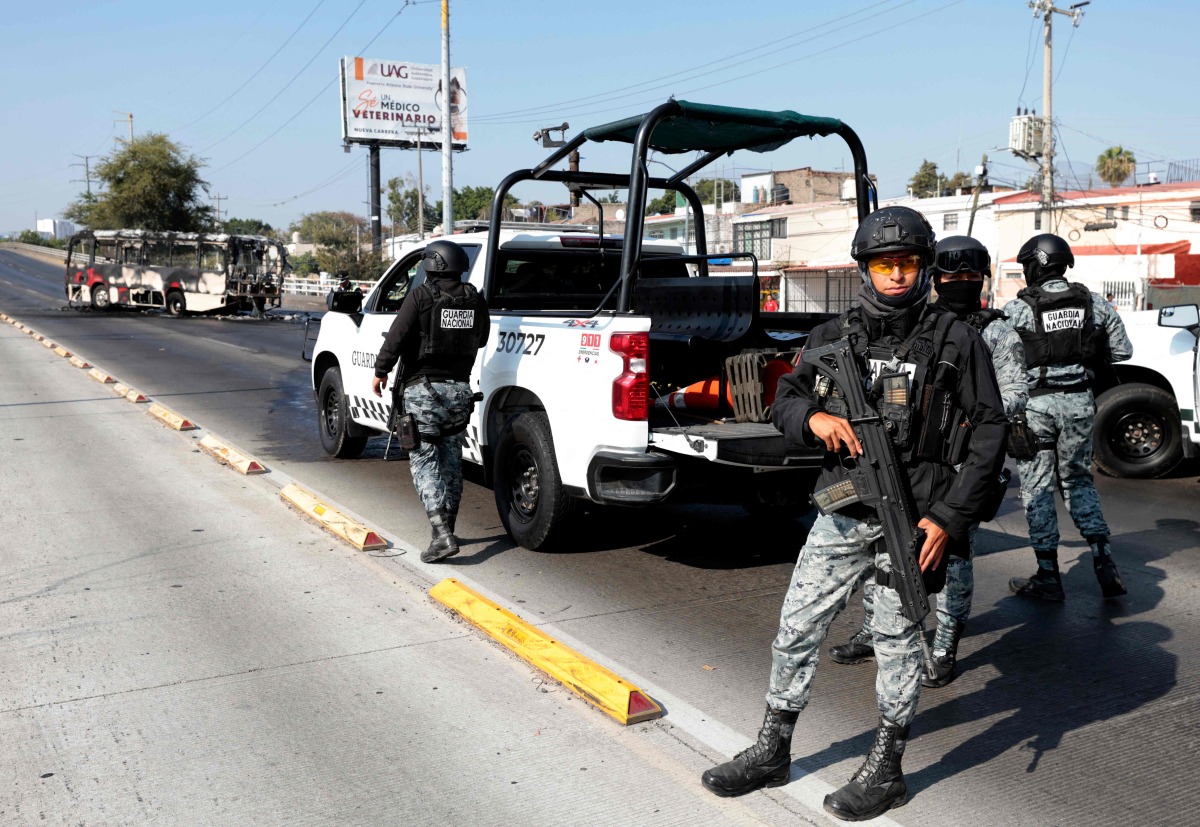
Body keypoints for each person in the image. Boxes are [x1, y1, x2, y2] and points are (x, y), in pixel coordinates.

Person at [700, 207, 1007, 820]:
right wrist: (813, 419)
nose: (897, 275)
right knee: (797, 627)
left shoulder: (957, 339)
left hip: (915, 518)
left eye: (909, 263)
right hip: (843, 509)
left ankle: (888, 767)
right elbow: (784, 401)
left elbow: (989, 433)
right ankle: (773, 748)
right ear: (865, 267)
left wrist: (949, 519)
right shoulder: (831, 338)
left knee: (897, 641)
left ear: (924, 269)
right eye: (884, 264)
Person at [826, 235, 1028, 688]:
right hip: (907, 461)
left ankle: (946, 640)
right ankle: (874, 627)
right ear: (935, 277)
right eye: (950, 275)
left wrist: (960, 410)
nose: (959, 282)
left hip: (960, 465)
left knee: (951, 556)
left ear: (982, 278)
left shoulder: (994, 330)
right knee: (885, 547)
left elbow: (1012, 397)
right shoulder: (917, 324)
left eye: (969, 275)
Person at [1003, 233, 1133, 601]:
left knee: (1037, 488)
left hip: (1037, 407)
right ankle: (1103, 560)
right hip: (1079, 403)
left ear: (1034, 265)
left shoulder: (1018, 309)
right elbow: (1122, 351)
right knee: (1078, 481)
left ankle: (1048, 575)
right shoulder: (1095, 303)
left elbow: (996, 356)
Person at [371, 239, 490, 563]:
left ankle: (441, 536)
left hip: (424, 391)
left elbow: (396, 337)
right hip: (459, 392)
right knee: (451, 462)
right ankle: (447, 529)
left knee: (424, 462)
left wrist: (380, 371)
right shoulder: (474, 300)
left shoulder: (421, 296)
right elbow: (481, 338)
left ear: (432, 264)